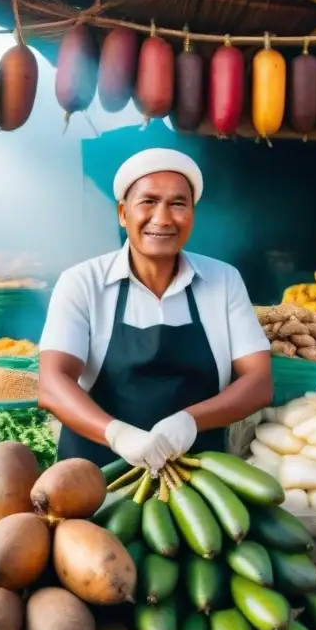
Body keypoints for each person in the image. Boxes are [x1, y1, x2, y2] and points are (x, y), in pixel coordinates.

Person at [39, 148, 273, 471]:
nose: (162, 219)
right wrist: (118, 434)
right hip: (94, 480)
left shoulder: (224, 281)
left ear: (192, 214)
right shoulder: (82, 283)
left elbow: (259, 381)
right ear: (123, 213)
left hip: (197, 478)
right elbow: (52, 383)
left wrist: (190, 422)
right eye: (148, 202)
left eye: (178, 204)